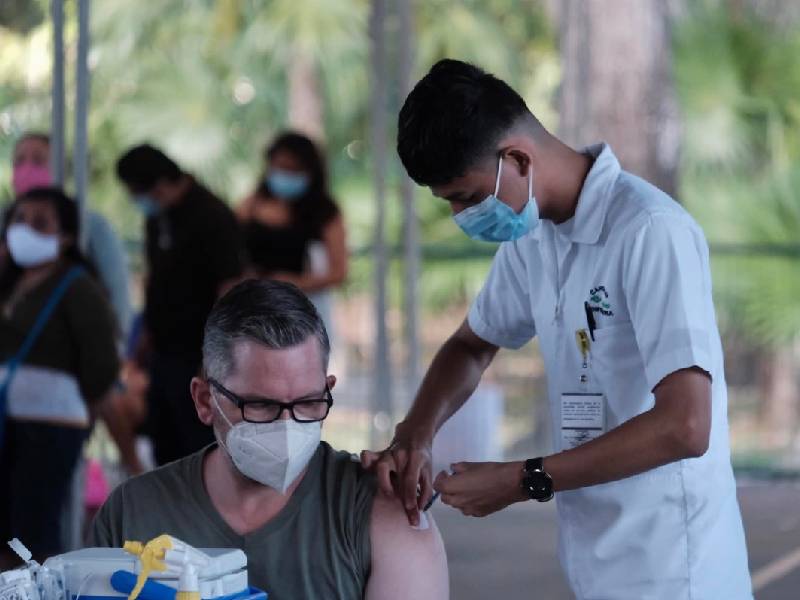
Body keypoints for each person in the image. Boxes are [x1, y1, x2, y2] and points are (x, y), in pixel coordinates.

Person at [363, 59, 753, 599]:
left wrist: (519, 479)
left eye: (468, 198)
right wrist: (414, 437)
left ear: (518, 159)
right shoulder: (534, 239)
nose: (461, 216)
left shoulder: (650, 232)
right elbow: (471, 344)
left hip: (675, 570)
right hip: (595, 562)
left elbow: (686, 424)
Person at [88, 279, 448, 600]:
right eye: (260, 405)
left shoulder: (382, 511)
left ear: (328, 389)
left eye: (309, 403)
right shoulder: (133, 514)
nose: (288, 425)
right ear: (205, 401)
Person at [0, 187, 119, 563]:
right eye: (19, 220)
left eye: (40, 222)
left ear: (66, 236)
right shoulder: (12, 283)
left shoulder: (77, 288)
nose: (25, 230)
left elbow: (101, 366)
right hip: (9, 420)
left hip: (50, 428)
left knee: (32, 527)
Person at [116, 144, 244, 466]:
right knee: (165, 444)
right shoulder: (158, 219)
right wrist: (142, 342)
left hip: (198, 353)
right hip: (163, 352)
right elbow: (155, 282)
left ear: (160, 185)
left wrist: (214, 354)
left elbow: (230, 289)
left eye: (138, 192)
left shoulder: (212, 216)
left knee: (198, 446)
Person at [12, 132, 133, 340]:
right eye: (19, 161)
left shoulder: (91, 226)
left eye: (38, 160)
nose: (27, 168)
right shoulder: (5, 222)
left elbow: (118, 299)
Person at [236, 132, 347, 333]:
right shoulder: (250, 206)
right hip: (252, 309)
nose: (284, 174)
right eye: (279, 167)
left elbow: (339, 271)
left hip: (301, 313)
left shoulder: (325, 213)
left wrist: (295, 283)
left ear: (310, 171)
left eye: (293, 169)